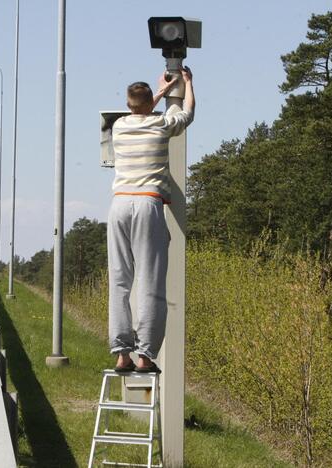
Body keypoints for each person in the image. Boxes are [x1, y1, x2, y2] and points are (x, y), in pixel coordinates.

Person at [108, 66, 195, 373]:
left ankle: (122, 353)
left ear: (129, 105)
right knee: (150, 281)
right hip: (147, 202)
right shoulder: (160, 125)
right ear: (150, 106)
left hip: (119, 205)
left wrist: (157, 92)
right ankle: (145, 355)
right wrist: (187, 84)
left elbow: (141, 110)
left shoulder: (118, 126)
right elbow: (186, 115)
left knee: (120, 280)